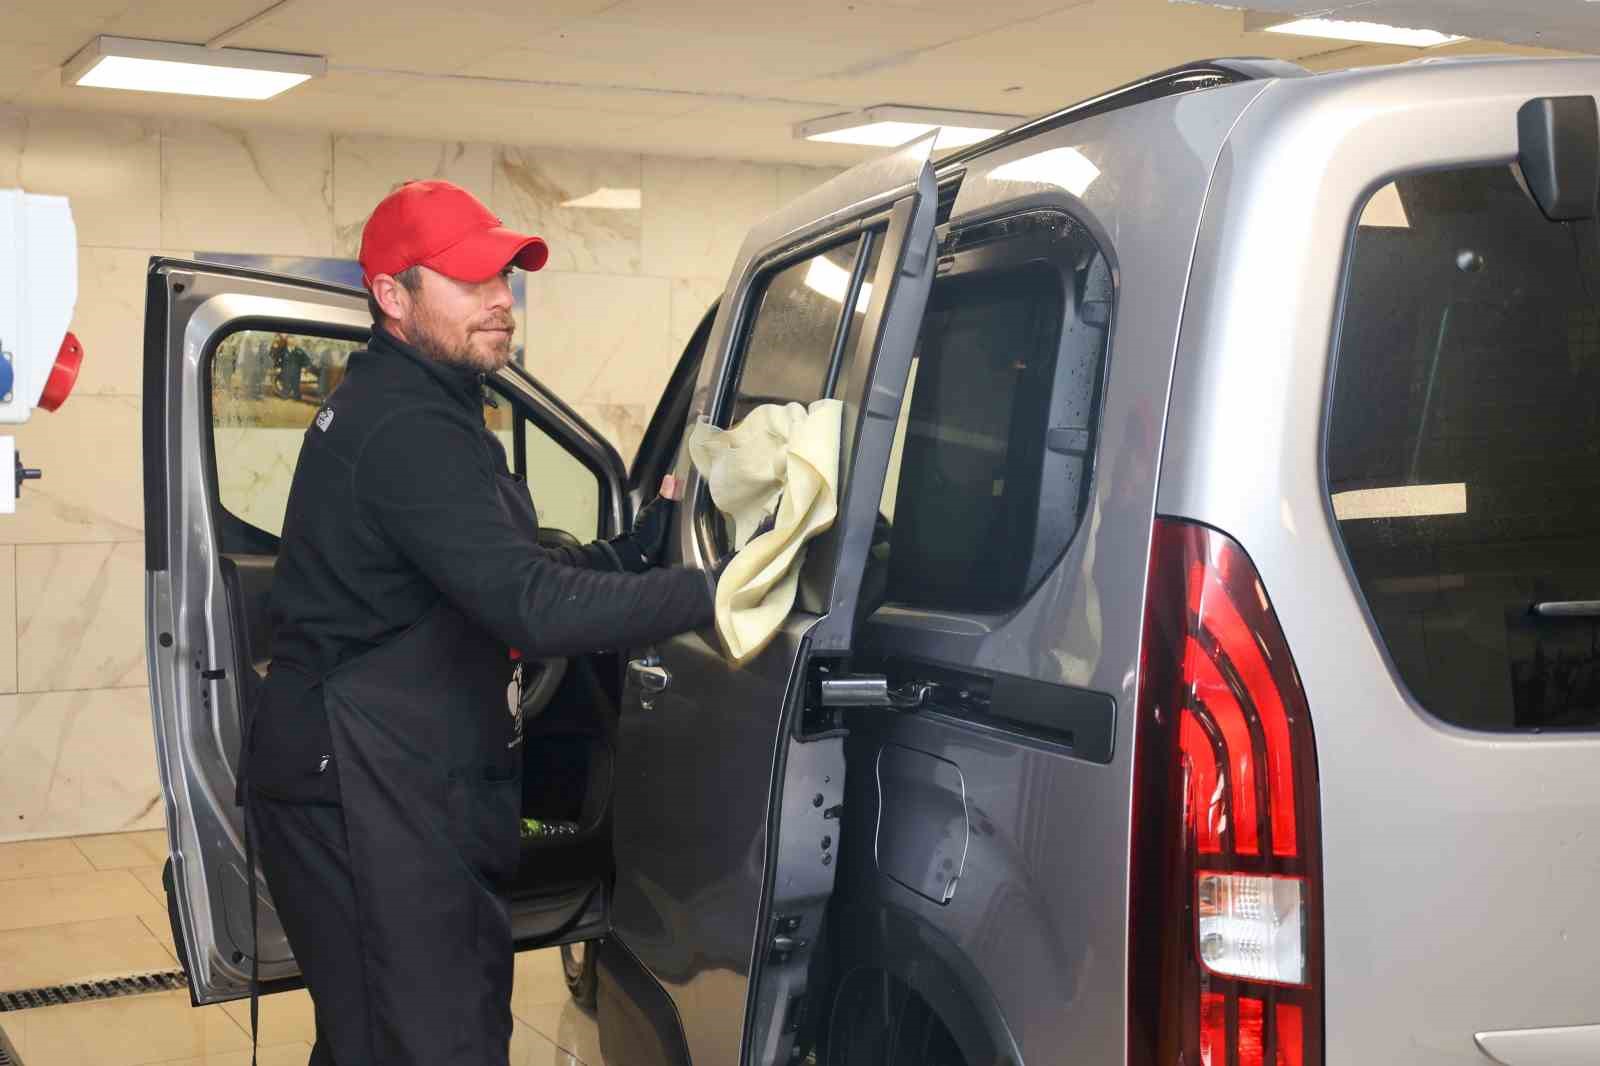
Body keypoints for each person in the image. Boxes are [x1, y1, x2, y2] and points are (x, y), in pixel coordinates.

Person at [244, 179, 713, 1066]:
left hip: (390, 773)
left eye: (505, 275)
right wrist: (721, 596)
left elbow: (506, 567)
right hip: (357, 784)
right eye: (470, 280)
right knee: (429, 1041)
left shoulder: (433, 406)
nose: (502, 299)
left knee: (385, 1037)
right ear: (392, 295)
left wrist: (642, 549)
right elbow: (528, 607)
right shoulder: (404, 426)